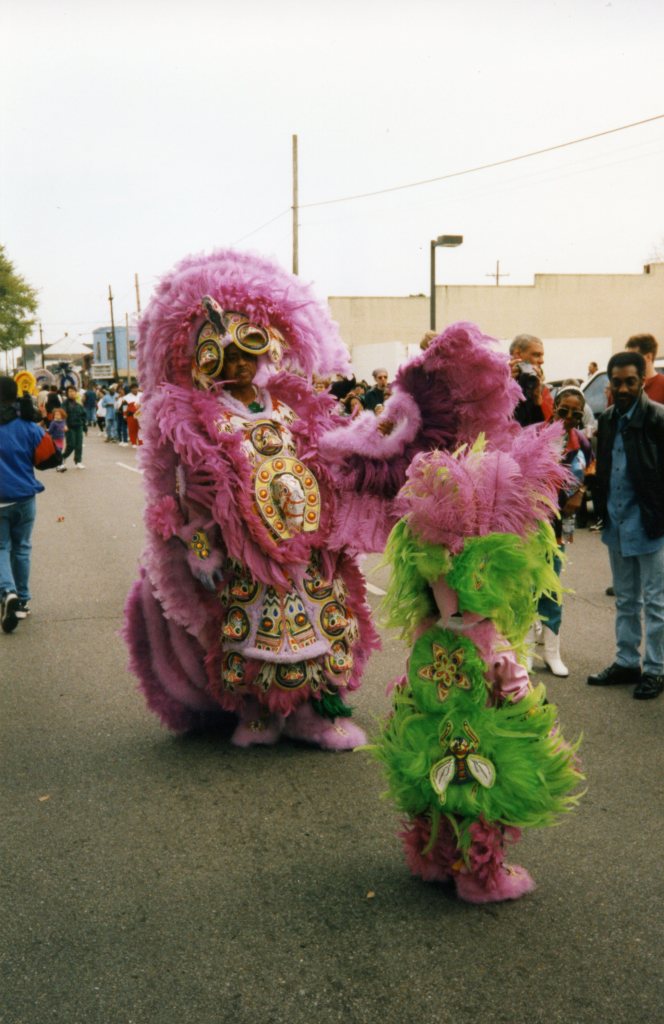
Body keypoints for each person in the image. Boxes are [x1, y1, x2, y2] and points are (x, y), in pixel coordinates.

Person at [124, 251, 521, 750]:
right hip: (243, 551)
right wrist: (196, 546)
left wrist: (388, 432)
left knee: (324, 620)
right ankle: (258, 712)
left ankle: (313, 713)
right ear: (207, 364)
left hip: (312, 545)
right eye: (226, 357)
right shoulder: (192, 416)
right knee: (246, 629)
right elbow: (175, 494)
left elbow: (333, 451)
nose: (240, 364)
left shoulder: (294, 402)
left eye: (247, 352)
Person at [372, 432, 582, 903]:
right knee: (483, 806)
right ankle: (479, 877)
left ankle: (433, 859)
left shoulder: (428, 630)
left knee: (434, 795)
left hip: (430, 734)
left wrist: (404, 709)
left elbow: (412, 677)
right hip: (483, 741)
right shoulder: (493, 642)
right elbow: (514, 687)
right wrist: (542, 733)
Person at [587, 351, 664, 700]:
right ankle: (627, 662)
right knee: (626, 600)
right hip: (617, 523)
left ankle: (656, 669)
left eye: (630, 381)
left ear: (642, 382)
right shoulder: (606, 420)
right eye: (616, 382)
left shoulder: (658, 418)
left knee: (656, 603)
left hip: (650, 524)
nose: (622, 388)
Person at [534, 386, 593, 676]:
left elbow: (590, 469)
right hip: (531, 522)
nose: (568, 417)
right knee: (526, 584)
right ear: (554, 406)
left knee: (552, 584)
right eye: (563, 410)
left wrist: (579, 493)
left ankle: (551, 652)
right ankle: (524, 650)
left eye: (576, 413)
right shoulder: (534, 435)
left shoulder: (581, 442)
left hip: (561, 524)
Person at [0, 376, 61, 631]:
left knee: (1, 547)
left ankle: (7, 592)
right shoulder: (28, 426)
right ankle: (22, 602)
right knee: (22, 547)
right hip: (24, 497)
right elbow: (51, 459)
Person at [510, 333, 554, 423]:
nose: (542, 361)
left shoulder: (541, 388)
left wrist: (538, 398)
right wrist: (504, 385)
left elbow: (548, 425)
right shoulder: (497, 381)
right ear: (517, 354)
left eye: (542, 356)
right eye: (536, 355)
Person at [624, 333, 664, 404]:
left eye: (634, 357)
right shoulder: (622, 386)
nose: (629, 361)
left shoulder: (662, 385)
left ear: (648, 357)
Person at [61, 385, 88, 468]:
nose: (72, 393)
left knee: (79, 445)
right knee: (71, 444)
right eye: (70, 391)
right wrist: (64, 425)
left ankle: (78, 461)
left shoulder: (79, 404)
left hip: (79, 426)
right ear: (67, 393)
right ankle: (62, 457)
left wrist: (85, 428)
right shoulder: (65, 403)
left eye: (73, 391)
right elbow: (63, 415)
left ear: (76, 393)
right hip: (69, 427)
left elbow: (83, 416)